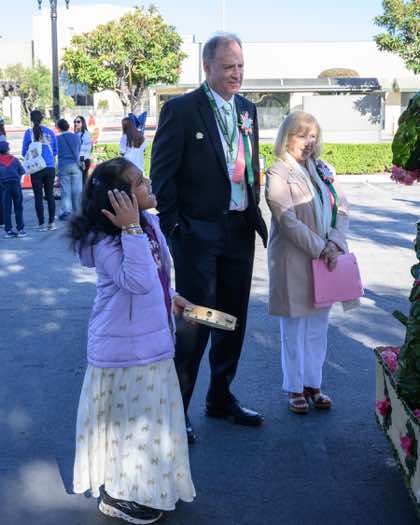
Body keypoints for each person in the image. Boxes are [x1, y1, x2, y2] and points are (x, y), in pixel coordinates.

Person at [151, 33, 268, 444]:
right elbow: (162, 175)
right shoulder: (182, 110)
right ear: (207, 67)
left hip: (239, 231)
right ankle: (177, 409)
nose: (236, 74)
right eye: (228, 66)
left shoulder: (247, 109)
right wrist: (175, 231)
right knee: (197, 323)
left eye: (240, 66)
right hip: (197, 236)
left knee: (232, 319)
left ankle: (220, 397)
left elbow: (250, 166)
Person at [70, 157, 195, 524]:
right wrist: (131, 229)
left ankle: (146, 488)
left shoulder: (148, 224)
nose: (149, 183)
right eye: (139, 182)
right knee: (131, 427)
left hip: (153, 345)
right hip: (125, 352)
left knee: (150, 425)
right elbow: (136, 281)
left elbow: (155, 277)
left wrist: (171, 296)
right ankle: (119, 496)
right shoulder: (106, 239)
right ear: (120, 200)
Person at [265, 111, 352, 414]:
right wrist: (321, 248)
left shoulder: (323, 169)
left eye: (313, 136)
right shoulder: (278, 172)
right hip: (294, 261)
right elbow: (286, 219)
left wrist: (335, 243)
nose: (308, 141)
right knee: (294, 328)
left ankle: (313, 385)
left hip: (325, 260)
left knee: (318, 328)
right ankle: (294, 387)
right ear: (287, 138)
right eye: (301, 135)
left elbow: (342, 208)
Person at [22, 110, 58, 231]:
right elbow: (55, 151)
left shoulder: (28, 133)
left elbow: (24, 152)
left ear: (31, 119)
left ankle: (41, 223)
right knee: (50, 195)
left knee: (38, 197)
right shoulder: (50, 132)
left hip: (36, 167)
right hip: (50, 167)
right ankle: (51, 223)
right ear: (42, 119)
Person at [56, 118, 82, 220]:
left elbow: (56, 152)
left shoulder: (57, 139)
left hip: (63, 166)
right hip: (75, 165)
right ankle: (78, 212)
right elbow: (78, 150)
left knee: (65, 191)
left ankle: (67, 212)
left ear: (59, 128)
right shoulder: (76, 137)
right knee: (77, 190)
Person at [0, 141, 26, 238]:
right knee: (18, 207)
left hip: (5, 186)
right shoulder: (15, 159)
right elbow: (22, 171)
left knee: (6, 209)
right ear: (8, 150)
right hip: (16, 185)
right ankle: (20, 229)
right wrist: (18, 180)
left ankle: (8, 230)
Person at [73, 115, 92, 186]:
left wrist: (78, 147)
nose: (76, 123)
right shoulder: (76, 133)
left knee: (83, 181)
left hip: (83, 159)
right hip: (77, 160)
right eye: (75, 122)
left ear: (82, 123)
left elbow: (88, 148)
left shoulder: (86, 134)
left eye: (78, 122)